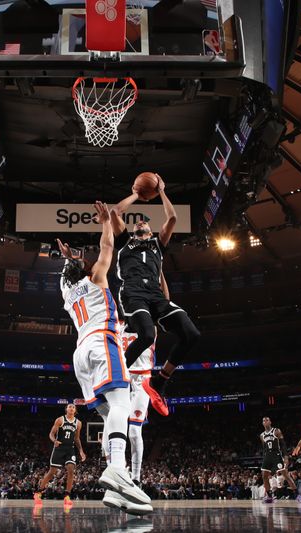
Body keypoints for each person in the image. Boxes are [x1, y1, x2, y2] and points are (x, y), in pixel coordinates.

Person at [55, 201, 152, 515]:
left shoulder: (67, 293)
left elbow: (67, 274)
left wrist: (69, 260)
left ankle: (117, 487)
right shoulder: (96, 276)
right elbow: (107, 245)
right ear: (83, 268)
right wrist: (106, 221)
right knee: (123, 405)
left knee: (113, 412)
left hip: (80, 354)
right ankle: (116, 469)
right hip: (102, 342)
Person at [110, 175, 200, 416]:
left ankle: (160, 381)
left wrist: (161, 191)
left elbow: (172, 218)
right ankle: (118, 374)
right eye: (137, 223)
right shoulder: (124, 242)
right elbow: (115, 212)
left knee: (191, 334)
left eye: (144, 224)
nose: (140, 223)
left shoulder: (158, 245)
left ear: (150, 231)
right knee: (148, 335)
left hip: (156, 295)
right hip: (132, 292)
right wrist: (137, 195)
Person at [120, 321, 155, 487]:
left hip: (142, 380)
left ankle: (136, 478)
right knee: (114, 426)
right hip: (123, 379)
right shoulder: (117, 325)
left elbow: (163, 304)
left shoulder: (148, 323)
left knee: (134, 431)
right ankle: (118, 469)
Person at [34, 404, 87, 506]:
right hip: (59, 448)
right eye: (69, 407)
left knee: (71, 470)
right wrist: (54, 441)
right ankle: (38, 492)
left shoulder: (78, 423)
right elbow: (51, 434)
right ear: (66, 409)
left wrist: (81, 451)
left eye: (73, 407)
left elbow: (77, 438)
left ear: (75, 410)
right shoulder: (60, 420)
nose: (71, 408)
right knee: (52, 472)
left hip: (70, 449)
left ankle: (67, 496)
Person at [259, 416, 301, 503]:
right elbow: (264, 448)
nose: (265, 421)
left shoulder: (276, 431)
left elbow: (283, 444)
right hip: (267, 456)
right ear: (262, 423)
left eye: (267, 420)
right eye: (263, 421)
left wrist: (286, 457)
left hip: (276, 455)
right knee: (264, 476)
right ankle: (269, 496)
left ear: (270, 422)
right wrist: (264, 458)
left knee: (286, 475)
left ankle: (297, 495)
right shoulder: (262, 435)